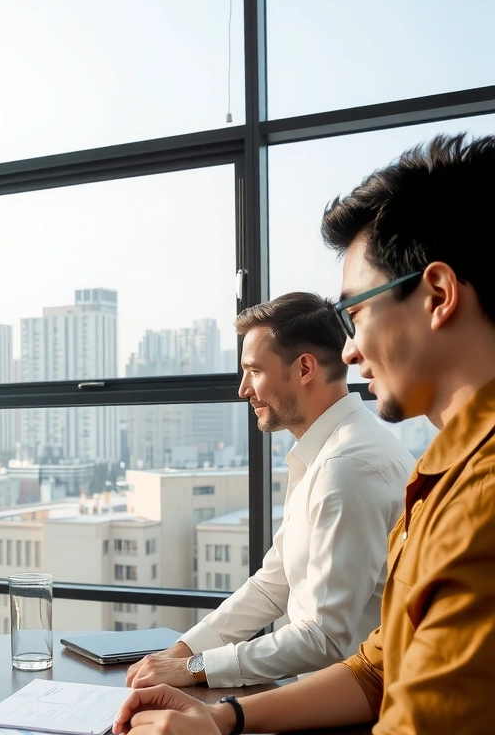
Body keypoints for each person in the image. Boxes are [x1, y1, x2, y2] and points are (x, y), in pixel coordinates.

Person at [113, 134, 495, 735]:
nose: (351, 349)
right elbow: (377, 663)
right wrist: (222, 710)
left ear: (439, 295)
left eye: (357, 311)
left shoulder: (466, 491)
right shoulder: (441, 472)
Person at [126, 293, 415, 690]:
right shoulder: (327, 454)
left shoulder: (346, 468)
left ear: (305, 368)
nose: (243, 389)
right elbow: (273, 584)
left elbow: (324, 637)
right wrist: (180, 653)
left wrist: (196, 668)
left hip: (357, 710)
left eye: (254, 371)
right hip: (320, 696)